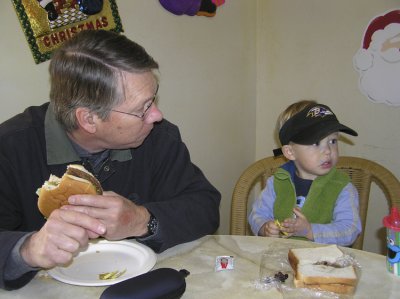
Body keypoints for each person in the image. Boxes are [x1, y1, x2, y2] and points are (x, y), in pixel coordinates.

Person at [0, 30, 220, 290]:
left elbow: (204, 207)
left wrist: (141, 220)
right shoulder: (10, 149)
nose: (157, 115)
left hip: (138, 288)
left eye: (153, 99)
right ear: (89, 119)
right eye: (143, 108)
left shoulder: (158, 138)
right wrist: (27, 249)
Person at [248, 100, 362, 247]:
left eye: (332, 141)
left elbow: (349, 230)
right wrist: (265, 228)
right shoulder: (276, 182)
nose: (328, 150)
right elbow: (257, 215)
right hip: (280, 258)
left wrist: (310, 231)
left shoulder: (343, 188)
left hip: (324, 264)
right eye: (316, 143)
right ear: (290, 152)